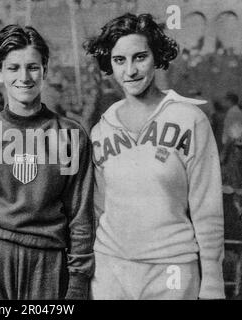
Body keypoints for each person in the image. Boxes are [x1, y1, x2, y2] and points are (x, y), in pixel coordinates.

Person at [84, 13, 224, 299]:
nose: (131, 70)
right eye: (119, 60)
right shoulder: (100, 130)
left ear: (156, 57)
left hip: (172, 267)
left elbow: (207, 208)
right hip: (110, 267)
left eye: (140, 57)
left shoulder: (190, 119)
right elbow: (98, 210)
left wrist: (212, 281)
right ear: (109, 64)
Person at [0, 24, 94, 300]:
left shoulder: (70, 135)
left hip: (46, 261)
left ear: (45, 70)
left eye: (33, 67)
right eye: (13, 68)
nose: (24, 77)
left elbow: (81, 214)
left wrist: (77, 280)